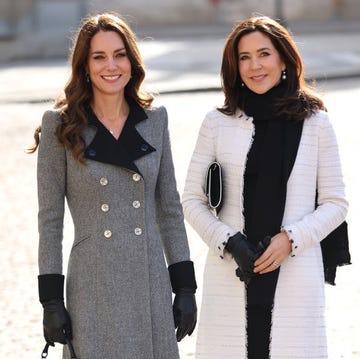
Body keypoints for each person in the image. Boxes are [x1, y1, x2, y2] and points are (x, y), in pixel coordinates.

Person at [28, 12, 197, 359]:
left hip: (149, 280)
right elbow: (50, 221)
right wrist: (50, 301)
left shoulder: (154, 121)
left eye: (120, 54)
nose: (111, 66)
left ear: (132, 62)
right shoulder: (60, 127)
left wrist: (184, 287)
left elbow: (169, 209)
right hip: (93, 284)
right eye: (99, 56)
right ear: (85, 66)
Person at [182, 15, 348, 359]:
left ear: (284, 59)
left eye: (264, 54)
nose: (254, 66)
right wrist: (229, 241)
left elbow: (335, 203)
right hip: (231, 271)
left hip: (295, 275)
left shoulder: (316, 123)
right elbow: (192, 200)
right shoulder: (217, 123)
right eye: (244, 57)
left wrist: (291, 239)